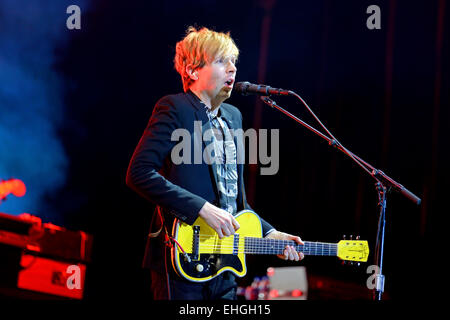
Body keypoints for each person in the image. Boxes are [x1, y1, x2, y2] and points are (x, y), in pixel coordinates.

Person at [126, 26, 304, 300]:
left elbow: (235, 199)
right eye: (221, 61)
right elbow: (139, 173)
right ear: (193, 71)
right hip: (182, 257)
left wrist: (269, 233)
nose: (232, 69)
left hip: (224, 265)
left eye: (234, 62)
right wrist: (200, 208)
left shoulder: (233, 117)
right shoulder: (175, 107)